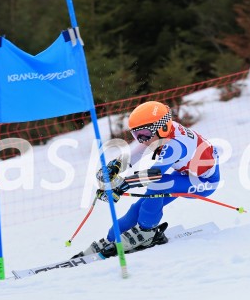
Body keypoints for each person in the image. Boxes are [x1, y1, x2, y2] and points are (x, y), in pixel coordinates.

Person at [78, 101, 220, 258]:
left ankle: (147, 231)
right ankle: (112, 237)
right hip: (185, 175)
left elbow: (154, 174)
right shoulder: (160, 133)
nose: (141, 139)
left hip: (204, 182)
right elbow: (137, 153)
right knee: (138, 208)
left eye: (144, 133)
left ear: (162, 127)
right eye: (136, 134)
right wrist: (115, 166)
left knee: (158, 183)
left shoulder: (176, 145)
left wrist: (121, 186)